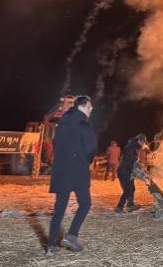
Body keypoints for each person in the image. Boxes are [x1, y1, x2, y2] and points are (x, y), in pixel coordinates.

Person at [46, 96, 96, 258]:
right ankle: (71, 235)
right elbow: (91, 149)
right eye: (89, 106)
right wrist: (84, 161)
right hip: (78, 170)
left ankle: (51, 246)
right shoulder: (84, 125)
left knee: (59, 209)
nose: (91, 109)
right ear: (81, 106)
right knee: (85, 203)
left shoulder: (62, 125)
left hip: (61, 171)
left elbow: (55, 145)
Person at [115, 134, 147, 213]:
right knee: (127, 190)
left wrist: (139, 165)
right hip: (124, 171)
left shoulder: (134, 147)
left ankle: (130, 204)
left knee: (132, 188)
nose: (143, 144)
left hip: (128, 171)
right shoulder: (130, 147)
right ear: (139, 140)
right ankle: (119, 207)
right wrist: (137, 166)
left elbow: (134, 161)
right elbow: (129, 160)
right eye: (143, 142)